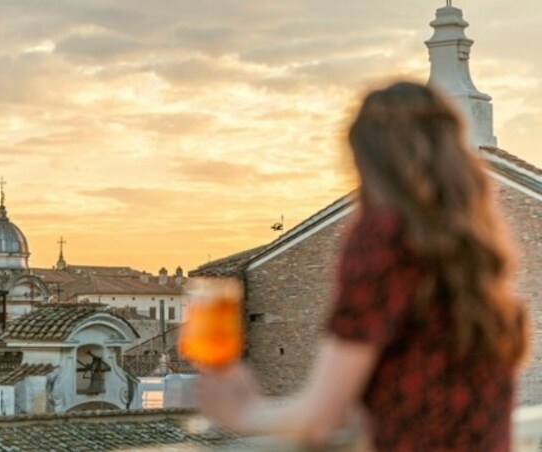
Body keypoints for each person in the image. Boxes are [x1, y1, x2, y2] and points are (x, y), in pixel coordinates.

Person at [197, 81, 530, 450]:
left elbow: (320, 418)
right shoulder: (477, 256)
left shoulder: (382, 239)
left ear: (368, 160)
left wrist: (242, 413)